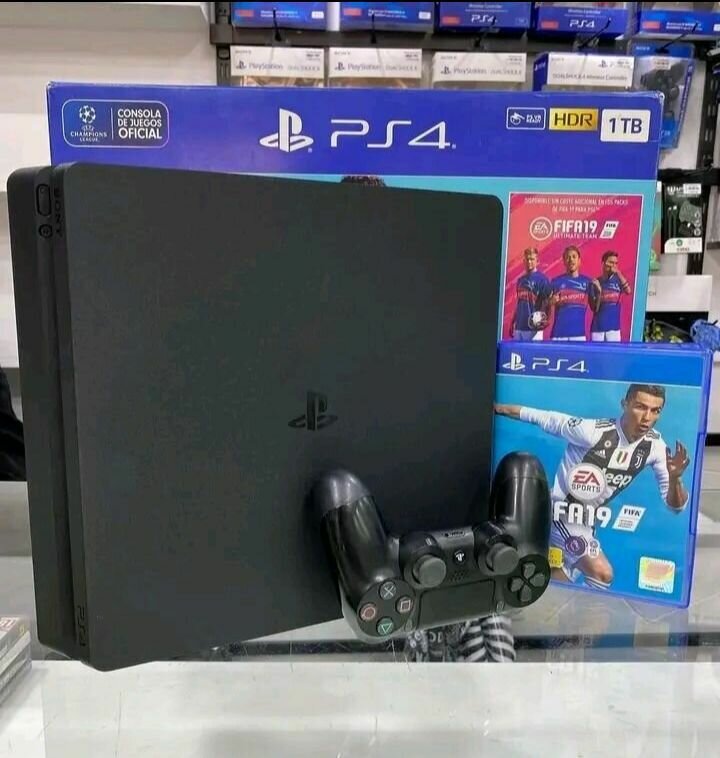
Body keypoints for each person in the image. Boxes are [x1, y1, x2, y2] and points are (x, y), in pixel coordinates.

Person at [494, 385, 690, 590]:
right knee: (602, 573)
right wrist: (498, 408)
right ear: (625, 404)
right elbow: (544, 417)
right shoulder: (592, 432)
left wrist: (675, 478)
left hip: (587, 521)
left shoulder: (655, 447)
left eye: (655, 410)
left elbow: (676, 507)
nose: (647, 417)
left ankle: (519, 598)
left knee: (557, 580)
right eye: (640, 407)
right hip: (561, 513)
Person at [548, 245, 601, 341]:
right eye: (568, 257)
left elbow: (595, 309)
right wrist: (550, 302)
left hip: (578, 335)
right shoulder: (555, 282)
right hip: (558, 335)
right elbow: (545, 305)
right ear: (564, 261)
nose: (571, 260)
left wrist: (598, 293)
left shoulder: (588, 282)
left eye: (574, 256)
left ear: (579, 260)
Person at [510, 247, 551, 341]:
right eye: (527, 259)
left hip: (534, 328)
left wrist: (546, 320)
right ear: (524, 261)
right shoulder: (520, 280)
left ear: (537, 261)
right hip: (519, 327)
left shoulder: (542, 280)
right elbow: (519, 303)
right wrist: (513, 322)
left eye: (532, 259)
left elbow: (548, 303)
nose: (529, 262)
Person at [590, 250, 632, 342]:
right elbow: (595, 309)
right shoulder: (596, 282)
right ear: (603, 263)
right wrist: (599, 292)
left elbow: (628, 291)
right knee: (597, 351)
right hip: (598, 329)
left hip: (614, 329)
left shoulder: (619, 280)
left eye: (616, 263)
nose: (613, 266)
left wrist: (618, 273)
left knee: (614, 351)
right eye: (611, 262)